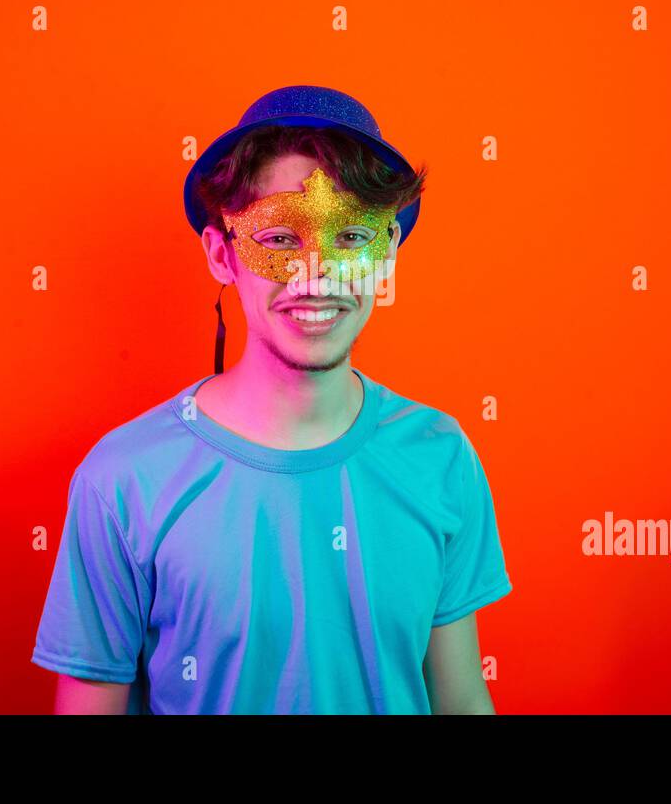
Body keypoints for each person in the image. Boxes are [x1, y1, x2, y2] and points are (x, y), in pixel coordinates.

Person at [30, 85, 512, 714]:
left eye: (349, 238)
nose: (316, 275)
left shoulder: (440, 457)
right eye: (281, 239)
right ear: (222, 254)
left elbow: (462, 702)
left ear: (386, 254)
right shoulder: (122, 480)